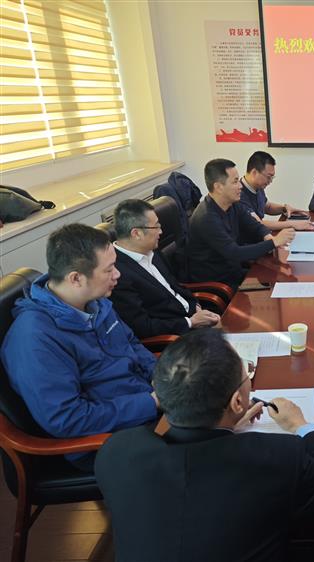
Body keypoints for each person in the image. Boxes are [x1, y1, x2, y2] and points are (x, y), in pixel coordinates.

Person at [95, 329, 314, 562]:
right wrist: (301, 425)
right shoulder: (276, 458)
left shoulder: (116, 453)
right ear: (237, 402)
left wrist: (227, 424)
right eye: (247, 376)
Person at [1, 224, 158, 468]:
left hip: (142, 407)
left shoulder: (96, 302)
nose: (117, 274)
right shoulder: (35, 338)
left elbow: (131, 343)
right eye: (109, 269)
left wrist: (160, 377)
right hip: (103, 442)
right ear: (76, 278)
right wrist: (151, 403)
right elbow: (68, 419)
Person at [110, 199, 220, 338]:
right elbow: (142, 326)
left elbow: (175, 286)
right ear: (136, 233)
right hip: (175, 337)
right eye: (156, 227)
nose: (161, 231)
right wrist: (190, 322)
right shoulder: (116, 273)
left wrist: (196, 306)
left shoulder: (151, 249)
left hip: (193, 317)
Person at [189, 158, 295, 290]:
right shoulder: (207, 218)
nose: (240, 186)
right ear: (218, 187)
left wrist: (267, 236)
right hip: (218, 284)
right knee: (277, 285)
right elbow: (235, 253)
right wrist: (274, 242)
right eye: (235, 181)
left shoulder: (232, 204)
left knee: (282, 278)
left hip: (234, 272)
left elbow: (254, 225)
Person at [240, 150, 312, 230]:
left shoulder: (258, 187)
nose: (270, 181)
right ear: (254, 173)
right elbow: (257, 223)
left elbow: (267, 206)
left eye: (272, 177)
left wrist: (284, 208)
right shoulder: (239, 193)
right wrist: (292, 224)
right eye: (268, 177)